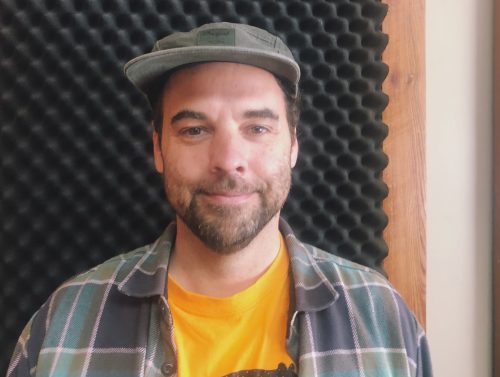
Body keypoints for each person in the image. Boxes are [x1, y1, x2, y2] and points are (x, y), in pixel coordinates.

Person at [7, 22, 432, 377]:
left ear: (293, 146)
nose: (228, 161)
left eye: (258, 128)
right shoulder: (64, 325)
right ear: (158, 149)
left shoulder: (381, 319)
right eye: (195, 129)